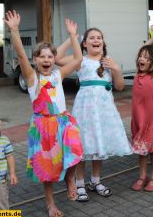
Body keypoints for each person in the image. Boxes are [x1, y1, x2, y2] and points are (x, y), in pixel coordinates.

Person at [4, 10, 83, 217]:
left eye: (50, 56)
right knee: (46, 168)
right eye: (42, 56)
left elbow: (77, 59)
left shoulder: (58, 74)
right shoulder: (32, 78)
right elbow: (21, 54)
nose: (47, 60)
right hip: (43, 127)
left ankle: (70, 179)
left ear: (54, 60)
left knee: (76, 151)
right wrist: (14, 30)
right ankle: (51, 204)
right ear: (36, 59)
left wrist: (73, 36)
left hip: (63, 122)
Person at [55, 27, 132, 201]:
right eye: (92, 38)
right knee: (83, 146)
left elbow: (119, 87)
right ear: (84, 43)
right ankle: (80, 183)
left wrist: (117, 70)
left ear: (103, 42)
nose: (96, 40)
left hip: (104, 111)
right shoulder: (80, 59)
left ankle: (95, 181)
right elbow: (57, 58)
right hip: (85, 110)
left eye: (99, 37)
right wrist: (71, 37)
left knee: (99, 144)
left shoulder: (109, 61)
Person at [131, 24, 153, 192]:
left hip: (152, 122)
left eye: (146, 57)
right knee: (141, 151)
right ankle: (142, 176)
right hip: (138, 121)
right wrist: (149, 43)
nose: (141, 59)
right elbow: (142, 48)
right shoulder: (138, 75)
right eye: (141, 57)